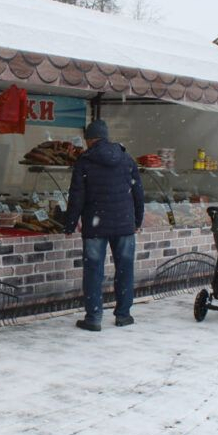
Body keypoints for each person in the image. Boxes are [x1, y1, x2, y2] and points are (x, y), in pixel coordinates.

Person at [63, 119, 144, 331]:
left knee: (93, 272)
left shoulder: (85, 161)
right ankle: (124, 315)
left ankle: (93, 318)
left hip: (95, 225)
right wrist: (138, 220)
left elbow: (77, 196)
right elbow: (138, 193)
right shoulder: (127, 159)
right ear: (106, 136)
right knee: (125, 270)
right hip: (124, 224)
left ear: (89, 139)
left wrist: (70, 223)